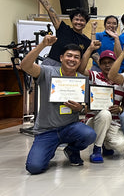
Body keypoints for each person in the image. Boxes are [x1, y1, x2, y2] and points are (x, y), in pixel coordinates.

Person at [22, 35, 96, 174]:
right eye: (69, 56)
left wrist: (79, 108)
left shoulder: (82, 80)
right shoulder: (47, 71)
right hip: (46, 130)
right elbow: (25, 66)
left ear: (80, 61)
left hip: (70, 128)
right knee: (34, 168)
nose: (72, 60)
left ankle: (72, 150)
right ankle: (48, 150)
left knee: (89, 134)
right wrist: (42, 45)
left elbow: (86, 108)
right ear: (61, 58)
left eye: (76, 57)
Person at [79, 42, 124, 163]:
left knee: (122, 146)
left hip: (113, 123)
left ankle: (106, 144)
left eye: (110, 62)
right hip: (94, 119)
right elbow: (80, 69)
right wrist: (90, 49)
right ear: (99, 65)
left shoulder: (122, 81)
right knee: (105, 114)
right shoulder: (95, 76)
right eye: (104, 63)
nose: (107, 65)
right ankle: (97, 149)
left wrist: (120, 109)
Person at [27, 0, 91, 66]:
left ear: (85, 23)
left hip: (69, 70)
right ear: (72, 20)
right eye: (76, 19)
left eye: (82, 20)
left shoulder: (86, 41)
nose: (79, 22)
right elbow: (49, 9)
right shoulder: (63, 29)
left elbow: (95, 58)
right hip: (50, 64)